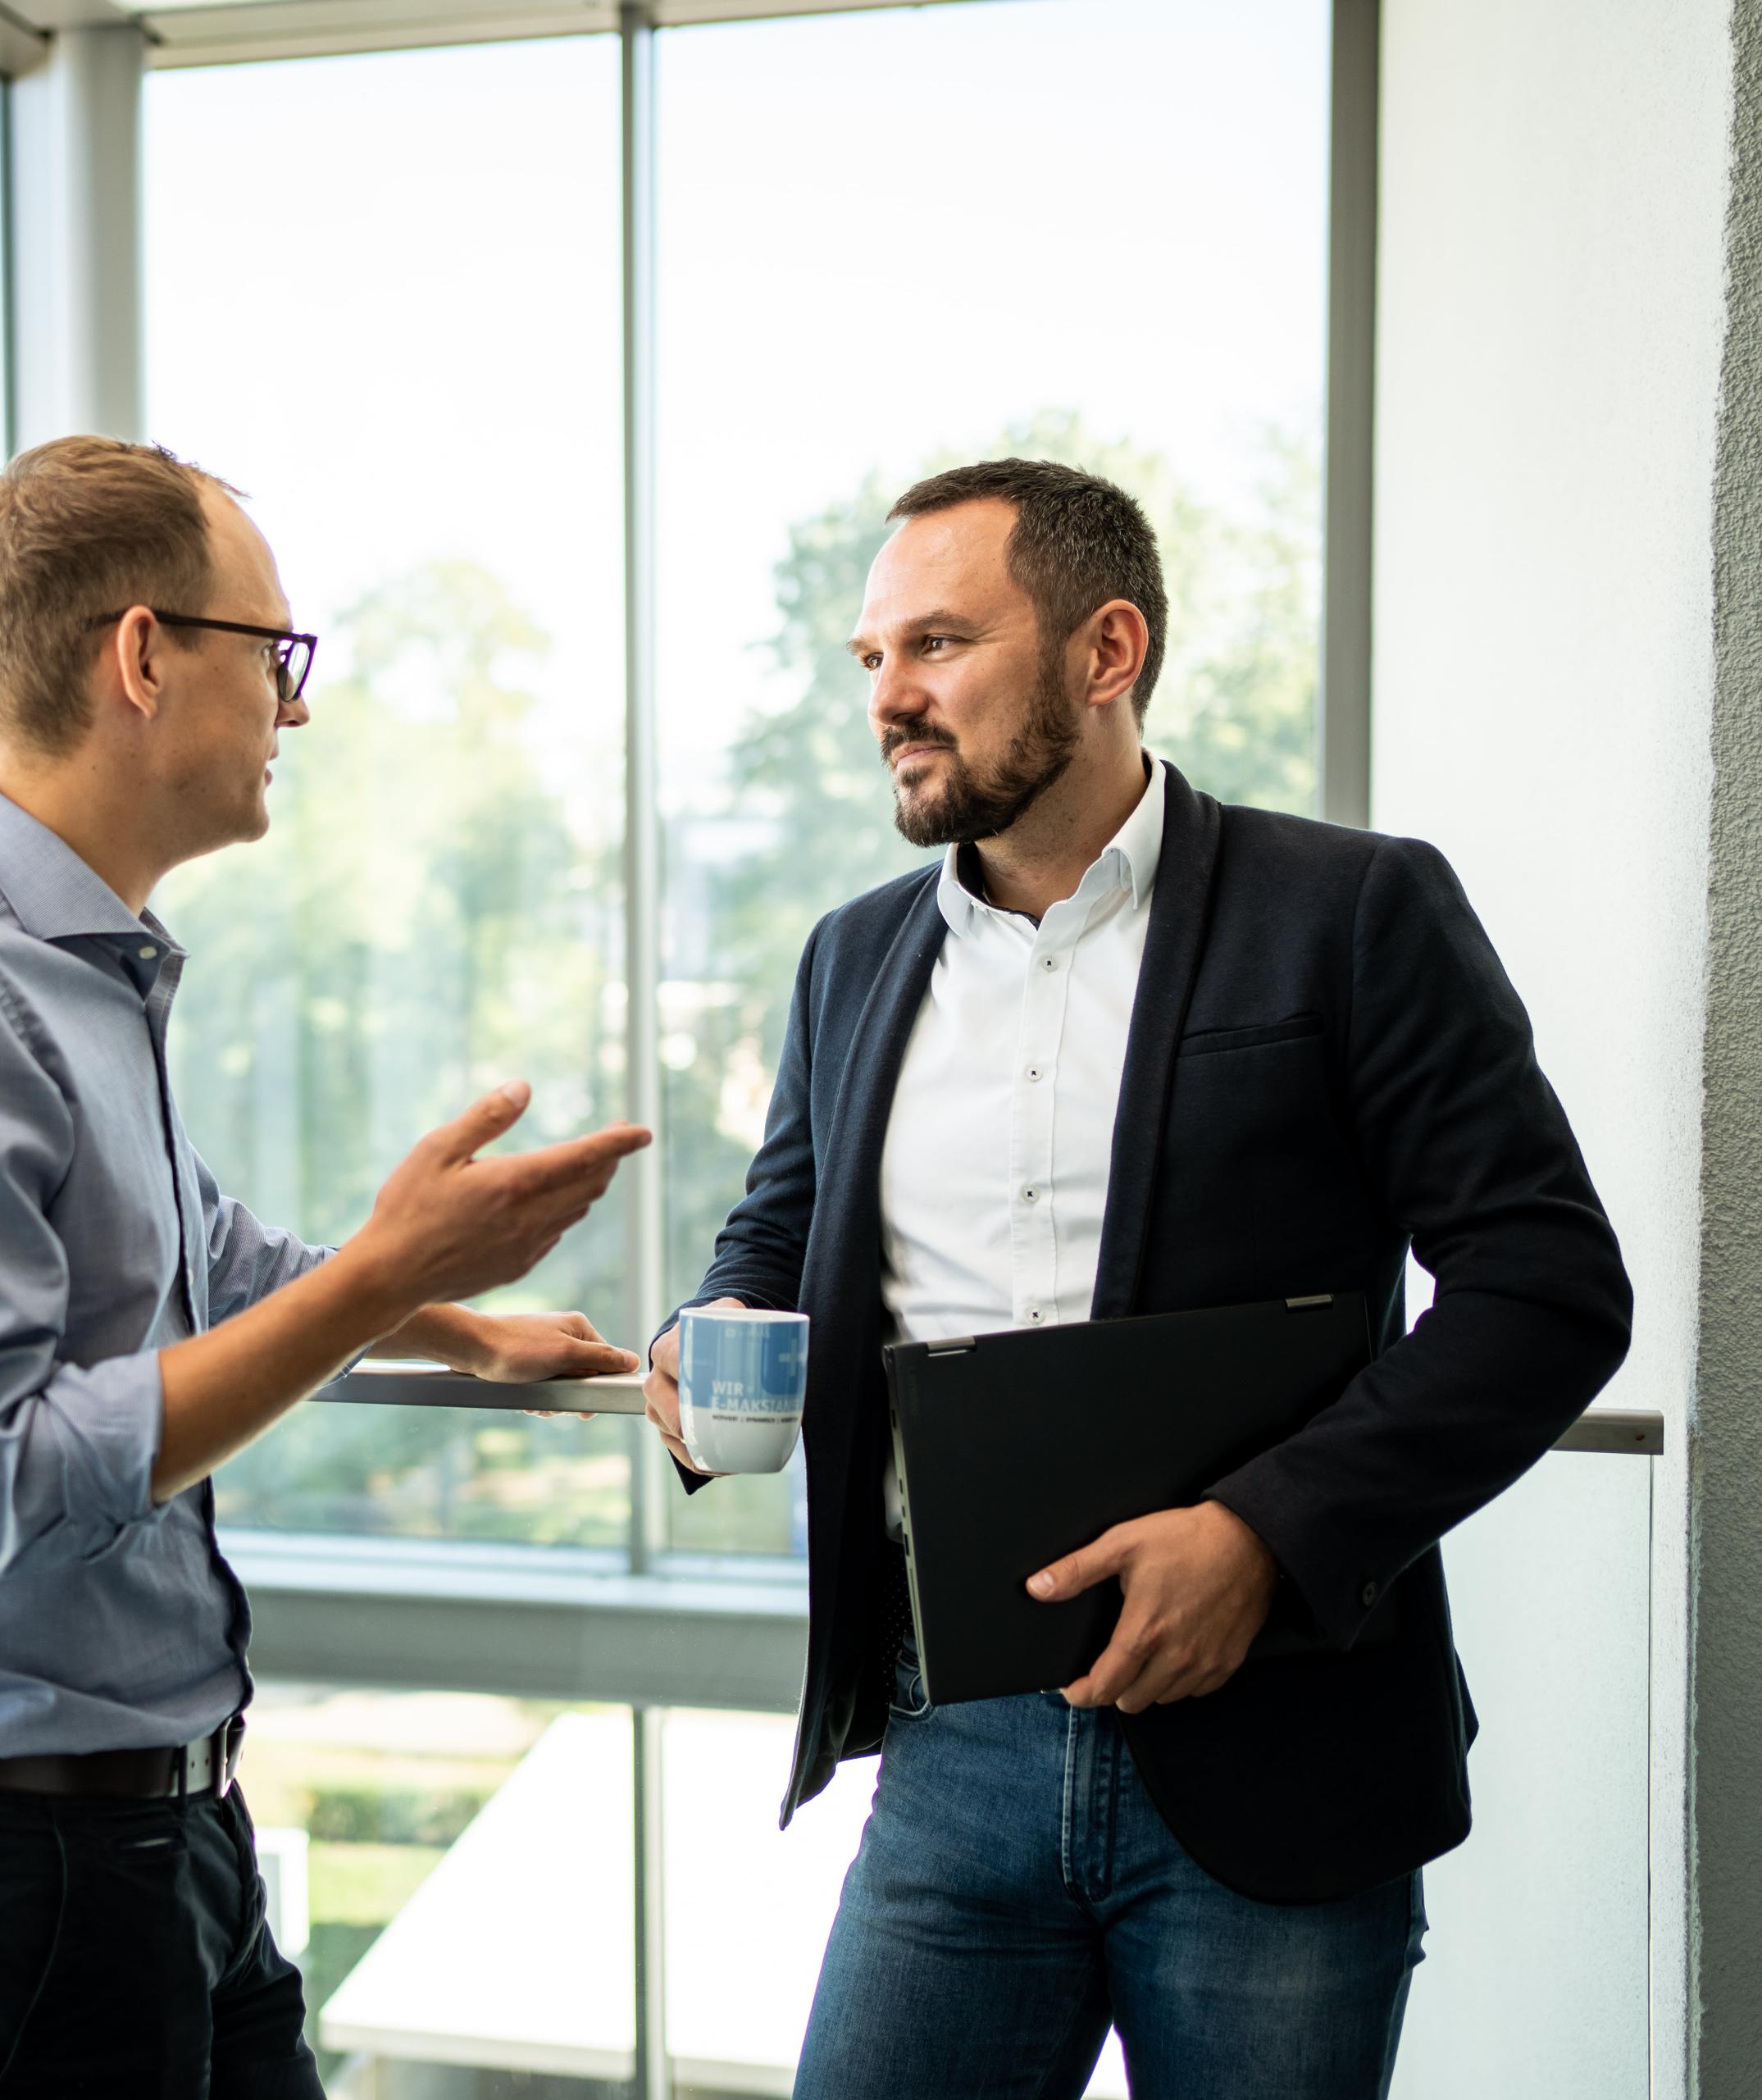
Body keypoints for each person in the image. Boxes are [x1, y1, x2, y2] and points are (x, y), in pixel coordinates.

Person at [642, 459, 1631, 2098]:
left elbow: (1548, 1289)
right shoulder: (851, 955)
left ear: (1107, 650)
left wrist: (1263, 1535)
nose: (889, 696)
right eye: (873, 657)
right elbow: (780, 1228)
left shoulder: (1353, 912)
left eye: (938, 643)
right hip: (953, 1754)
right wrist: (713, 1324)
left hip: (1284, 1755)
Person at [0, 434, 650, 2097]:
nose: (294, 708)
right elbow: (2, 1479)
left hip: (153, 1835)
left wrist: (462, 1327)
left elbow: (218, 1263)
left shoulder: (75, 971)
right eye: (275, 652)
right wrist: (386, 1273)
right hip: (1, 1874)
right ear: (144, 655)